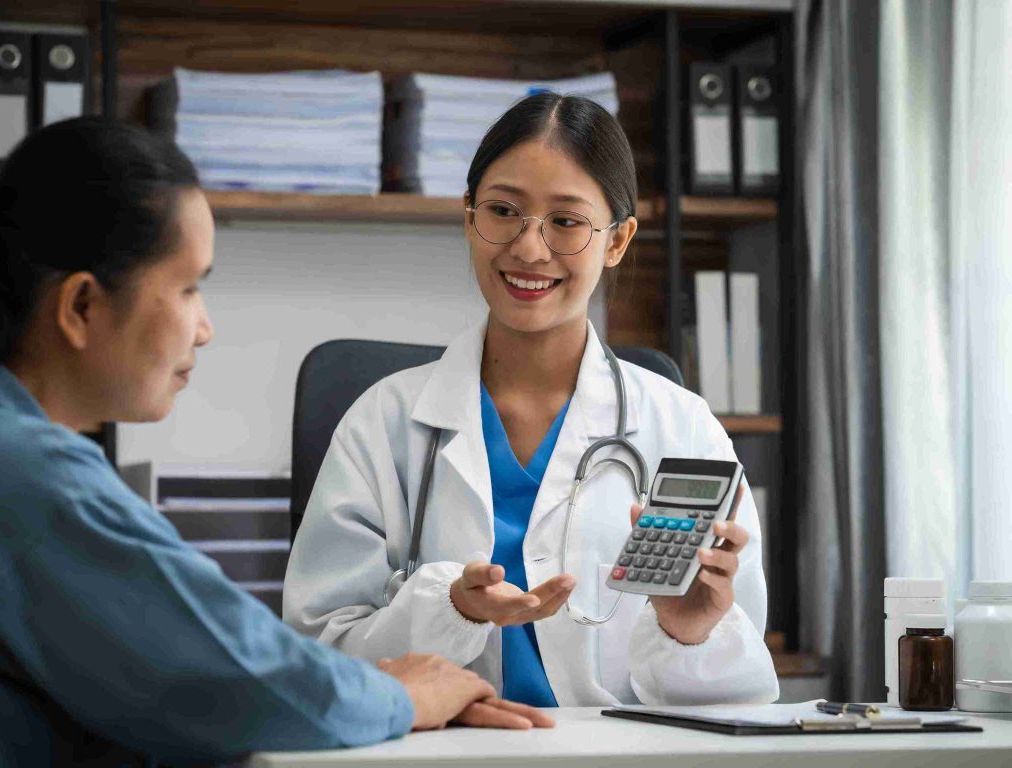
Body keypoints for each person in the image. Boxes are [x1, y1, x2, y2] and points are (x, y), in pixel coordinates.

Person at [0, 117, 552, 768]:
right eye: (188, 287)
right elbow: (231, 674)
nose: (203, 328)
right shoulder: (28, 474)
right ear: (82, 306)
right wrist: (400, 694)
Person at [284, 93, 780, 707]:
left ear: (618, 240)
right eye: (503, 211)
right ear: (469, 218)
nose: (528, 248)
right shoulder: (381, 423)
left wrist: (690, 630)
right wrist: (450, 609)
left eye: (566, 222)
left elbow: (737, 707)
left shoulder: (682, 428)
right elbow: (317, 653)